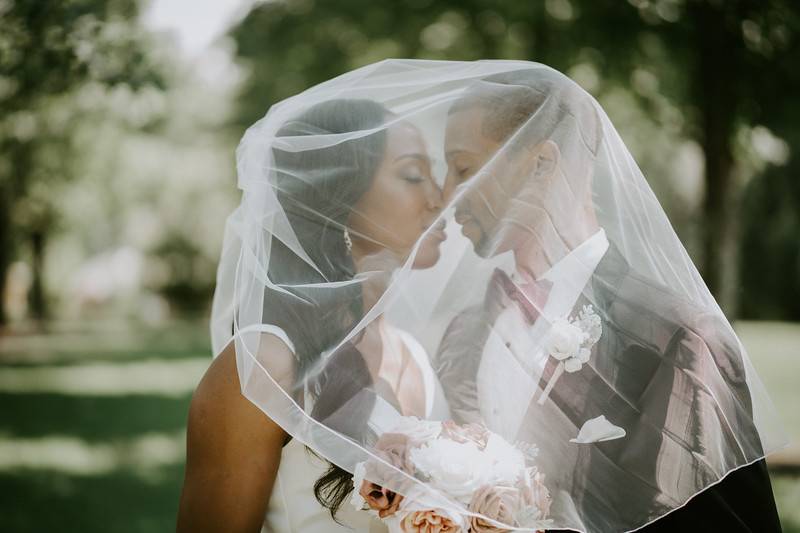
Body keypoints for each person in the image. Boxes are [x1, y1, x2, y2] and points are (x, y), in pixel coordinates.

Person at [434, 66, 784, 532]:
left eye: (463, 169)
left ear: (541, 164)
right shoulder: (465, 334)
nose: (445, 196)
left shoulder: (679, 338)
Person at [177, 98, 448, 533]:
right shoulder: (265, 364)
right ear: (338, 196)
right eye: (414, 175)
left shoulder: (414, 351)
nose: (441, 197)